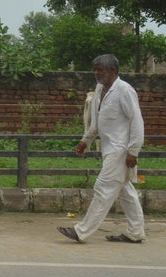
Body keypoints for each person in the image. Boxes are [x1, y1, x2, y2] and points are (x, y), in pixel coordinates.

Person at [59, 54, 146, 244]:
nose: (96, 73)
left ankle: (81, 231)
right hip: (108, 149)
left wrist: (133, 152)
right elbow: (96, 120)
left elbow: (137, 123)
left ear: (112, 71)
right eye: (95, 69)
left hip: (121, 150)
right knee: (125, 190)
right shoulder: (100, 89)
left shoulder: (125, 91)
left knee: (103, 187)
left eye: (100, 70)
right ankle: (136, 232)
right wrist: (86, 140)